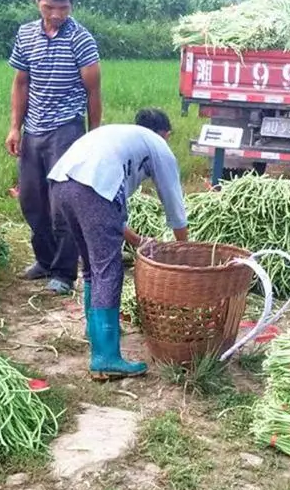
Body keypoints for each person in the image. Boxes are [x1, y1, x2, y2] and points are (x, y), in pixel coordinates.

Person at [48, 108, 188, 380]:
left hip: (61, 184)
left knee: (92, 265)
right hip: (91, 187)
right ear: (166, 134)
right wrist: (186, 249)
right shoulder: (158, 145)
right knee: (108, 271)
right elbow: (174, 203)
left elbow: (106, 212)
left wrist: (136, 240)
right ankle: (106, 358)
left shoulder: (120, 137)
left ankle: (96, 331)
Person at [5, 0, 102, 295]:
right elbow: (20, 82)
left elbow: (93, 92)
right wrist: (15, 127)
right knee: (32, 201)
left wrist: (94, 136)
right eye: (49, 7)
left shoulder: (81, 39)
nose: (57, 14)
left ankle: (63, 273)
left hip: (67, 129)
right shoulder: (26, 35)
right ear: (37, 1)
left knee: (63, 203)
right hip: (33, 129)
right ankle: (44, 261)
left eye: (63, 7)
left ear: (72, 4)